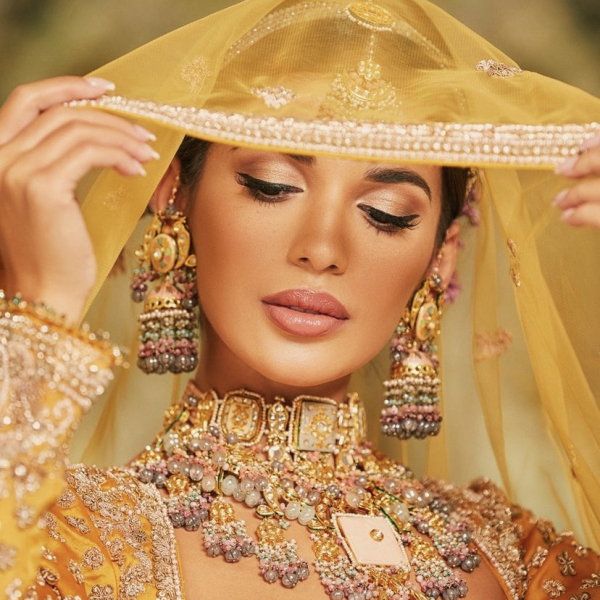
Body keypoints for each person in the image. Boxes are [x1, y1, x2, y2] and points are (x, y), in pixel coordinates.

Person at [0, 0, 599, 599]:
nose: (322, 248)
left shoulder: (514, 560)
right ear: (174, 199)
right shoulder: (58, 531)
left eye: (386, 216)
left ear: (440, 257)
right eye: (272, 187)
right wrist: (41, 307)